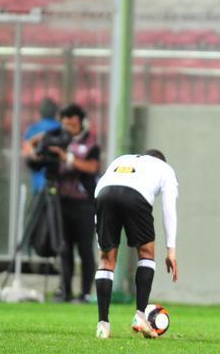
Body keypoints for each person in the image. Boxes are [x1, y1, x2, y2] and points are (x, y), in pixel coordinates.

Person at [92, 149, 179, 339]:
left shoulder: (122, 159)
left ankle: (103, 325)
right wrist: (171, 249)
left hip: (104, 195)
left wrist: (101, 239)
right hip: (136, 196)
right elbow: (169, 208)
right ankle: (140, 315)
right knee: (146, 253)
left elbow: (98, 190)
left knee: (106, 261)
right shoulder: (165, 169)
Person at [40, 104, 101, 303]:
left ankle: (85, 292)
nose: (69, 129)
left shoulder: (90, 144)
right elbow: (33, 148)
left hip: (83, 204)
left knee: (85, 249)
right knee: (64, 248)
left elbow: (92, 167)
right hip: (61, 202)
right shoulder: (56, 139)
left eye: (73, 124)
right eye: (66, 124)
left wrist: (68, 159)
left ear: (81, 123)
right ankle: (65, 290)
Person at [21, 97, 60, 195]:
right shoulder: (61, 128)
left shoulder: (33, 129)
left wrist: (35, 155)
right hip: (58, 184)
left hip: (38, 185)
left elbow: (26, 152)